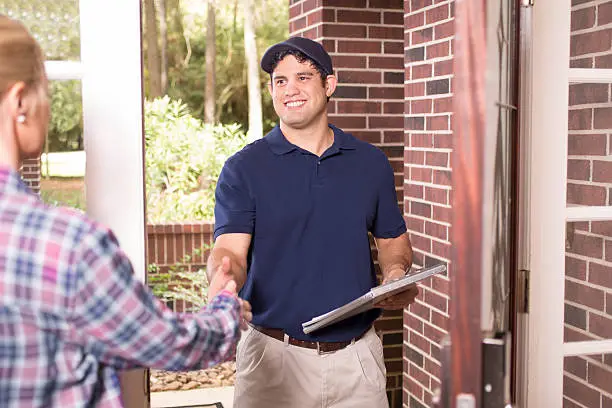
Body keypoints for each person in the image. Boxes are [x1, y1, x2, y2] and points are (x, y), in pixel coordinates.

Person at [0, 15, 251, 408]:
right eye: (44, 90)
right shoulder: (65, 246)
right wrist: (225, 307)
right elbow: (171, 344)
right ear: (19, 102)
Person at [206, 36, 418, 408]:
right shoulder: (244, 168)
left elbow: (393, 242)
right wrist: (223, 280)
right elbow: (230, 250)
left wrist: (395, 273)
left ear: (329, 85)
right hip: (274, 359)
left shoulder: (370, 163)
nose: (290, 90)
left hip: (358, 359)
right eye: (280, 81)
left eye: (303, 77)